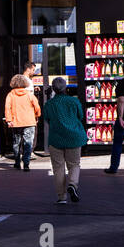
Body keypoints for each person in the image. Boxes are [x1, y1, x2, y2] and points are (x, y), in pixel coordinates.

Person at [44, 76, 86, 204]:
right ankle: (72, 184)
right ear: (65, 88)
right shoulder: (74, 101)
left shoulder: (49, 104)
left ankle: (61, 197)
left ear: (53, 89)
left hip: (56, 138)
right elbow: (81, 116)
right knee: (74, 164)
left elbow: (47, 118)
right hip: (74, 137)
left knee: (58, 168)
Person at [4, 73, 41, 170]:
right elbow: (37, 107)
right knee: (28, 143)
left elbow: (7, 108)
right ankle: (26, 163)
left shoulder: (10, 95)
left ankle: (17, 162)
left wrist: (9, 120)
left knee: (16, 142)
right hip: (29, 122)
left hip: (16, 122)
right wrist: (37, 116)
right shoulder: (29, 95)